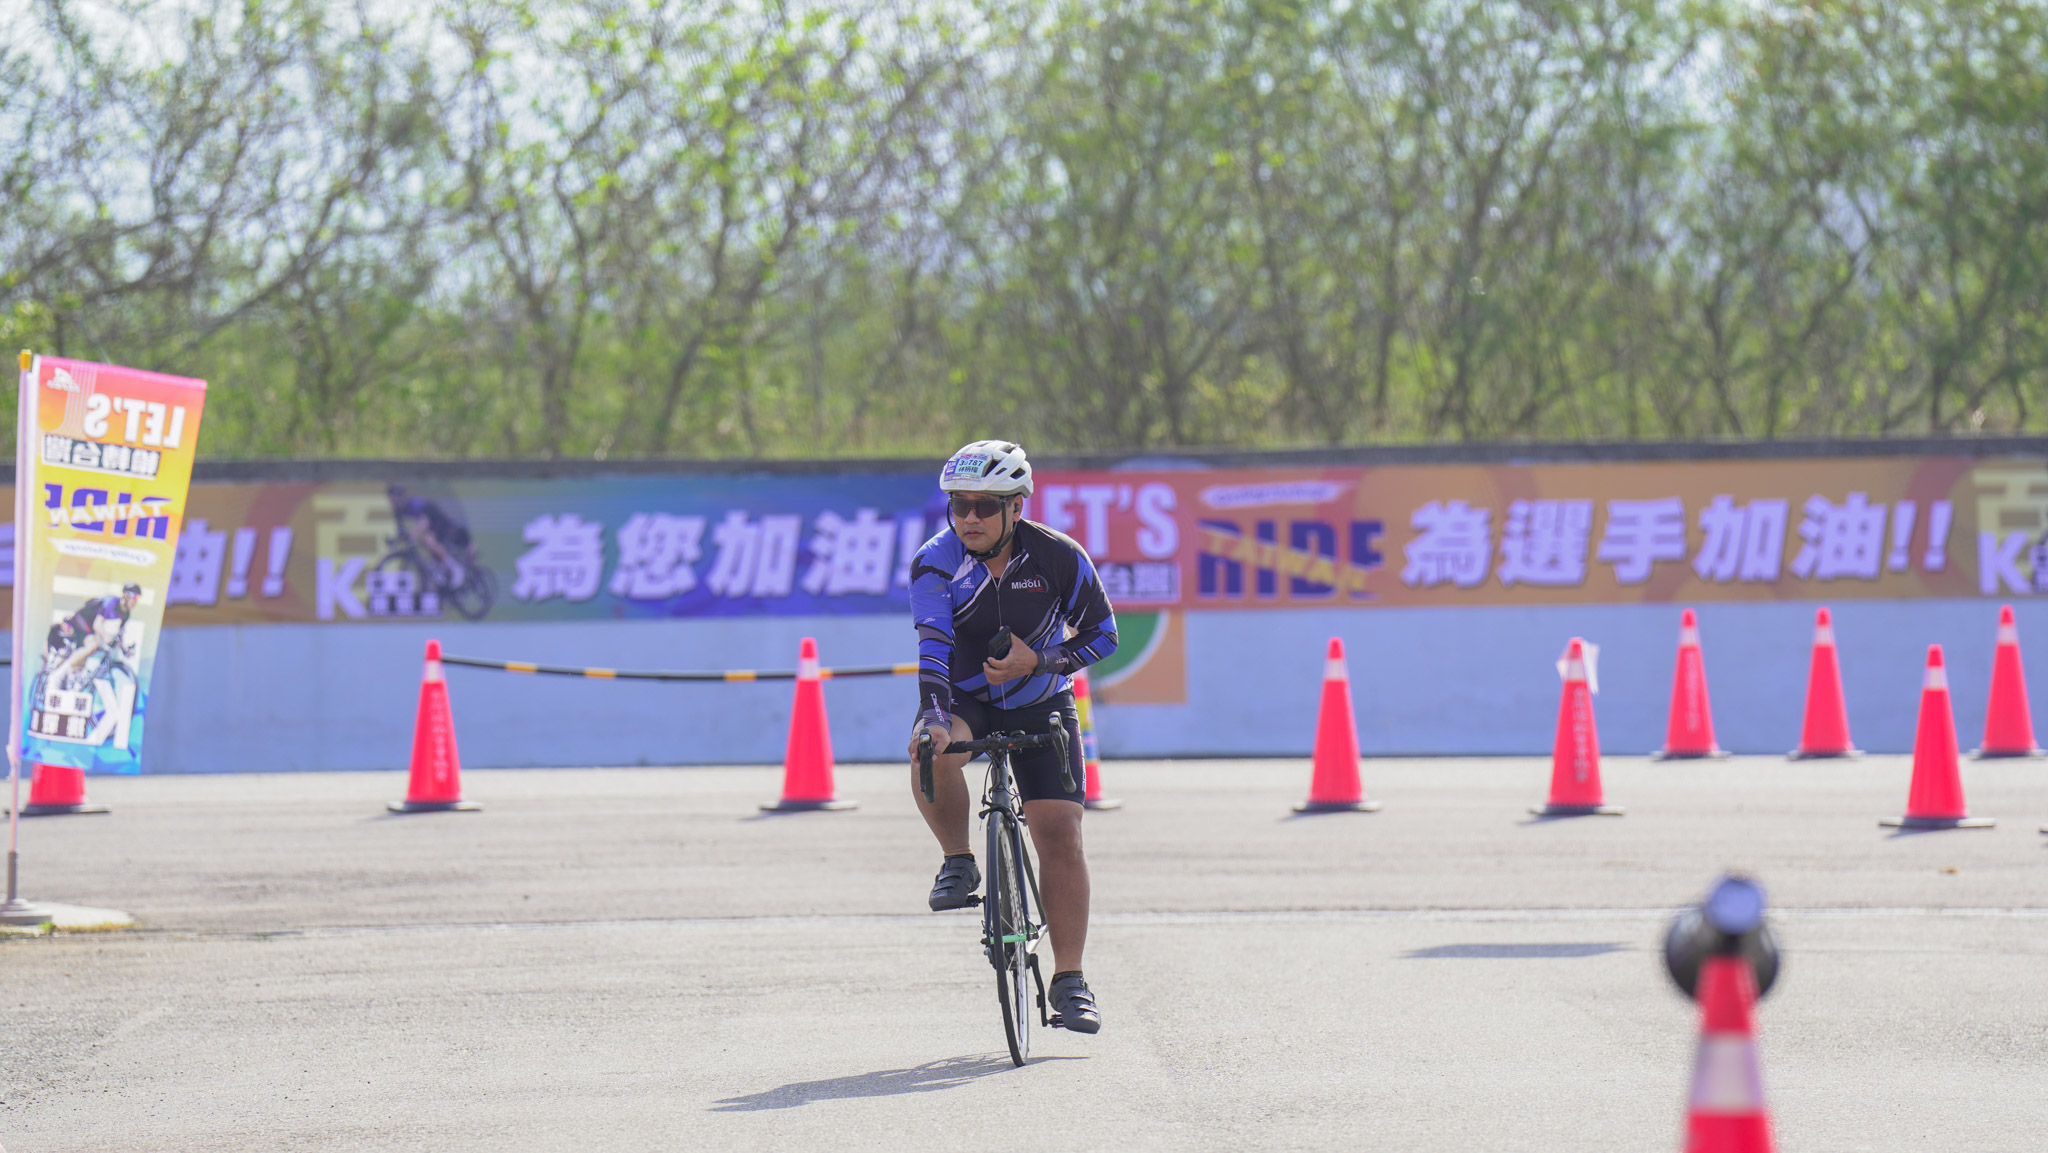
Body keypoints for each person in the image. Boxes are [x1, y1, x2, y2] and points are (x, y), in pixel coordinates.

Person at [907, 440, 1118, 1034]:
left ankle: (1069, 979)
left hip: (1040, 699)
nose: (969, 517)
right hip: (966, 698)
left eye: (984, 506)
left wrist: (1041, 660)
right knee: (929, 751)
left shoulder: (1058, 557)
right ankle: (958, 861)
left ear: (1017, 507)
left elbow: (1104, 636)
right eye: (959, 505)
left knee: (1060, 832)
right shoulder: (935, 562)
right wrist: (933, 718)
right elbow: (933, 647)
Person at [47, 582, 141, 686]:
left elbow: (120, 635)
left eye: (138, 598)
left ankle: (73, 679)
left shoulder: (126, 614)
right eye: (135, 597)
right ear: (126, 595)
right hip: (82, 618)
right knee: (93, 644)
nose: (136, 601)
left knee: (84, 660)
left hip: (90, 625)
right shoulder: (111, 602)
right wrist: (106, 638)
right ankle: (58, 675)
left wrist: (124, 649)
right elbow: (97, 625)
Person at [388, 485, 473, 588]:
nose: (393, 503)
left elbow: (425, 522)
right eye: (391, 500)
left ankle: (455, 568)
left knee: (427, 540)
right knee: (426, 546)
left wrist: (412, 536)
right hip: (430, 525)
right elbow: (401, 531)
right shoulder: (397, 511)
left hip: (438, 522)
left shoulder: (414, 504)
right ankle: (441, 569)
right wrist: (395, 540)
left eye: (394, 499)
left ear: (401, 497)